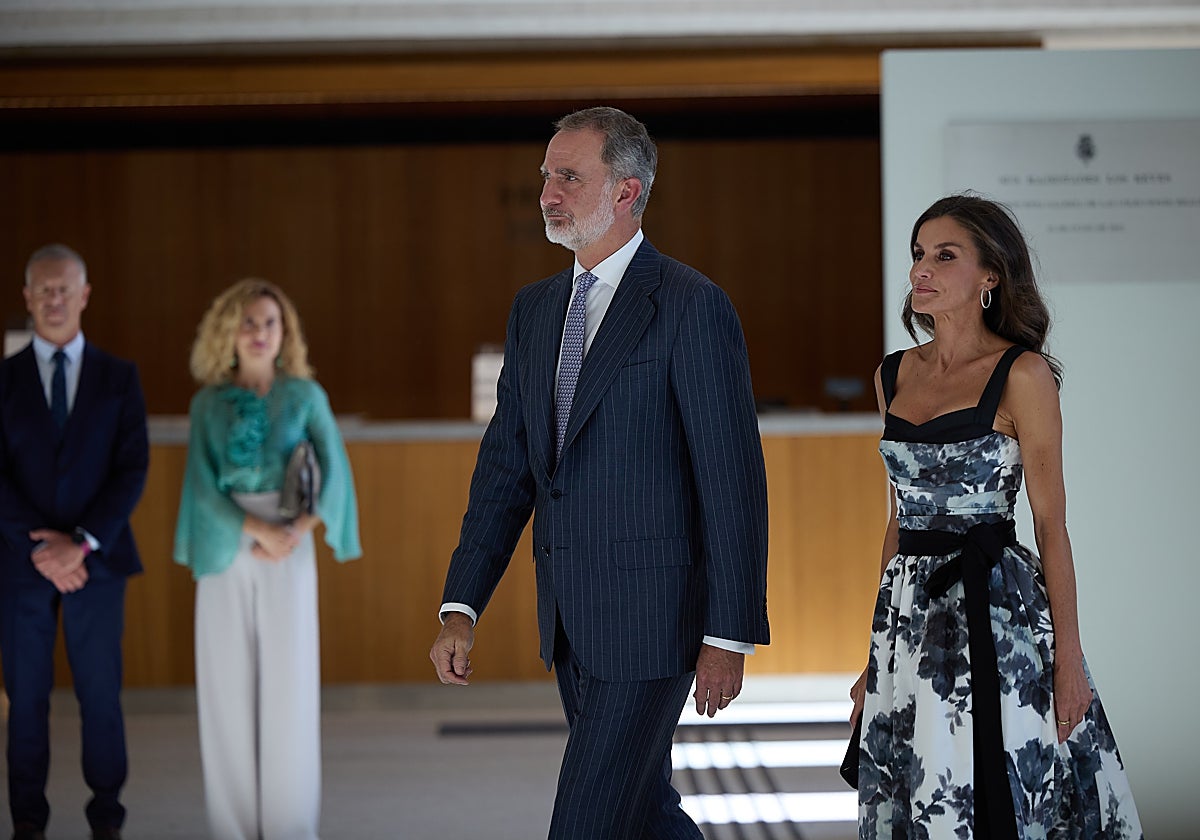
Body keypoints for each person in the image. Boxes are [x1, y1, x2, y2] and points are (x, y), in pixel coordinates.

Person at [428, 106, 769, 839]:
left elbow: (732, 480)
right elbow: (505, 471)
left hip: (656, 625)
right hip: (570, 623)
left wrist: (729, 633)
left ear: (626, 191)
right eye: (547, 175)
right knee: (641, 812)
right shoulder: (534, 311)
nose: (547, 192)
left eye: (567, 176)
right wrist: (462, 603)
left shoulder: (690, 306)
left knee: (584, 822)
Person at [849, 195, 1142, 837]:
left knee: (1004, 790)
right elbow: (898, 522)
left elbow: (1050, 526)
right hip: (909, 618)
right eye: (919, 255)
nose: (922, 269)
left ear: (990, 277)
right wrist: (871, 661)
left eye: (944, 256)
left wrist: (1069, 659)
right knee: (922, 788)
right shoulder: (891, 375)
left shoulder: (1023, 374)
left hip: (999, 610)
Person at [173, 279, 360, 840]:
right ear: (229, 332)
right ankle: (231, 828)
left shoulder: (305, 396)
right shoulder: (206, 403)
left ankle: (289, 826)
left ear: (285, 334)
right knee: (224, 692)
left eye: (270, 323)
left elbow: (336, 475)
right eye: (249, 323)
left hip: (291, 553)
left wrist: (295, 530)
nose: (259, 333)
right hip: (225, 549)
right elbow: (202, 488)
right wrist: (254, 528)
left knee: (291, 689)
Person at [0, 244, 149, 840]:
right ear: (27, 298)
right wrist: (41, 547)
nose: (55, 299)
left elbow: (132, 468)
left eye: (65, 289)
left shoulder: (119, 377)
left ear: (85, 295)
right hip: (20, 565)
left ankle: (106, 820)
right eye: (44, 290)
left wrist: (80, 543)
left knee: (100, 698)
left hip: (98, 563)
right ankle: (28, 823)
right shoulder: (4, 380)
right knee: (26, 702)